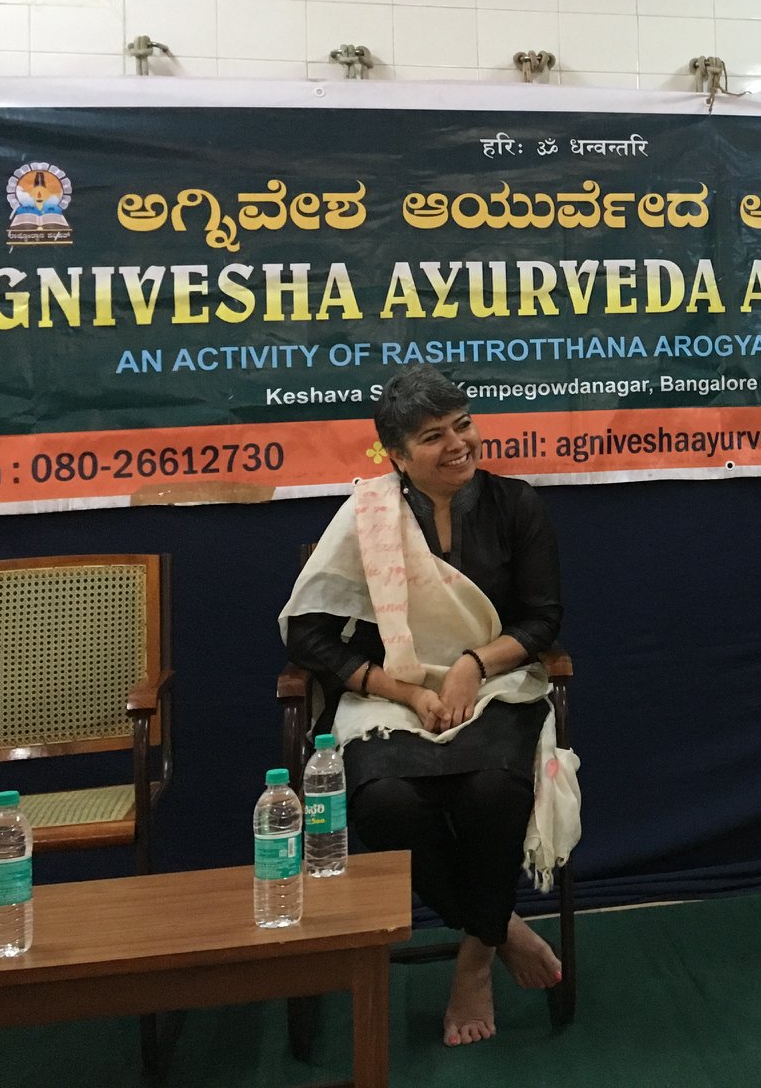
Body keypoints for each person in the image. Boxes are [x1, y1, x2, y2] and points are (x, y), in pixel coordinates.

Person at [281, 365, 565, 1047]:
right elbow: (307, 633)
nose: (458, 444)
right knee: (384, 804)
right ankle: (499, 928)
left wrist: (471, 666)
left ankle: (473, 963)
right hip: (392, 697)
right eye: (434, 436)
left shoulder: (516, 505)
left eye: (463, 425)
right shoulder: (367, 515)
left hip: (495, 686)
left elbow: (541, 619)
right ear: (398, 456)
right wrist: (407, 690)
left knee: (494, 791)